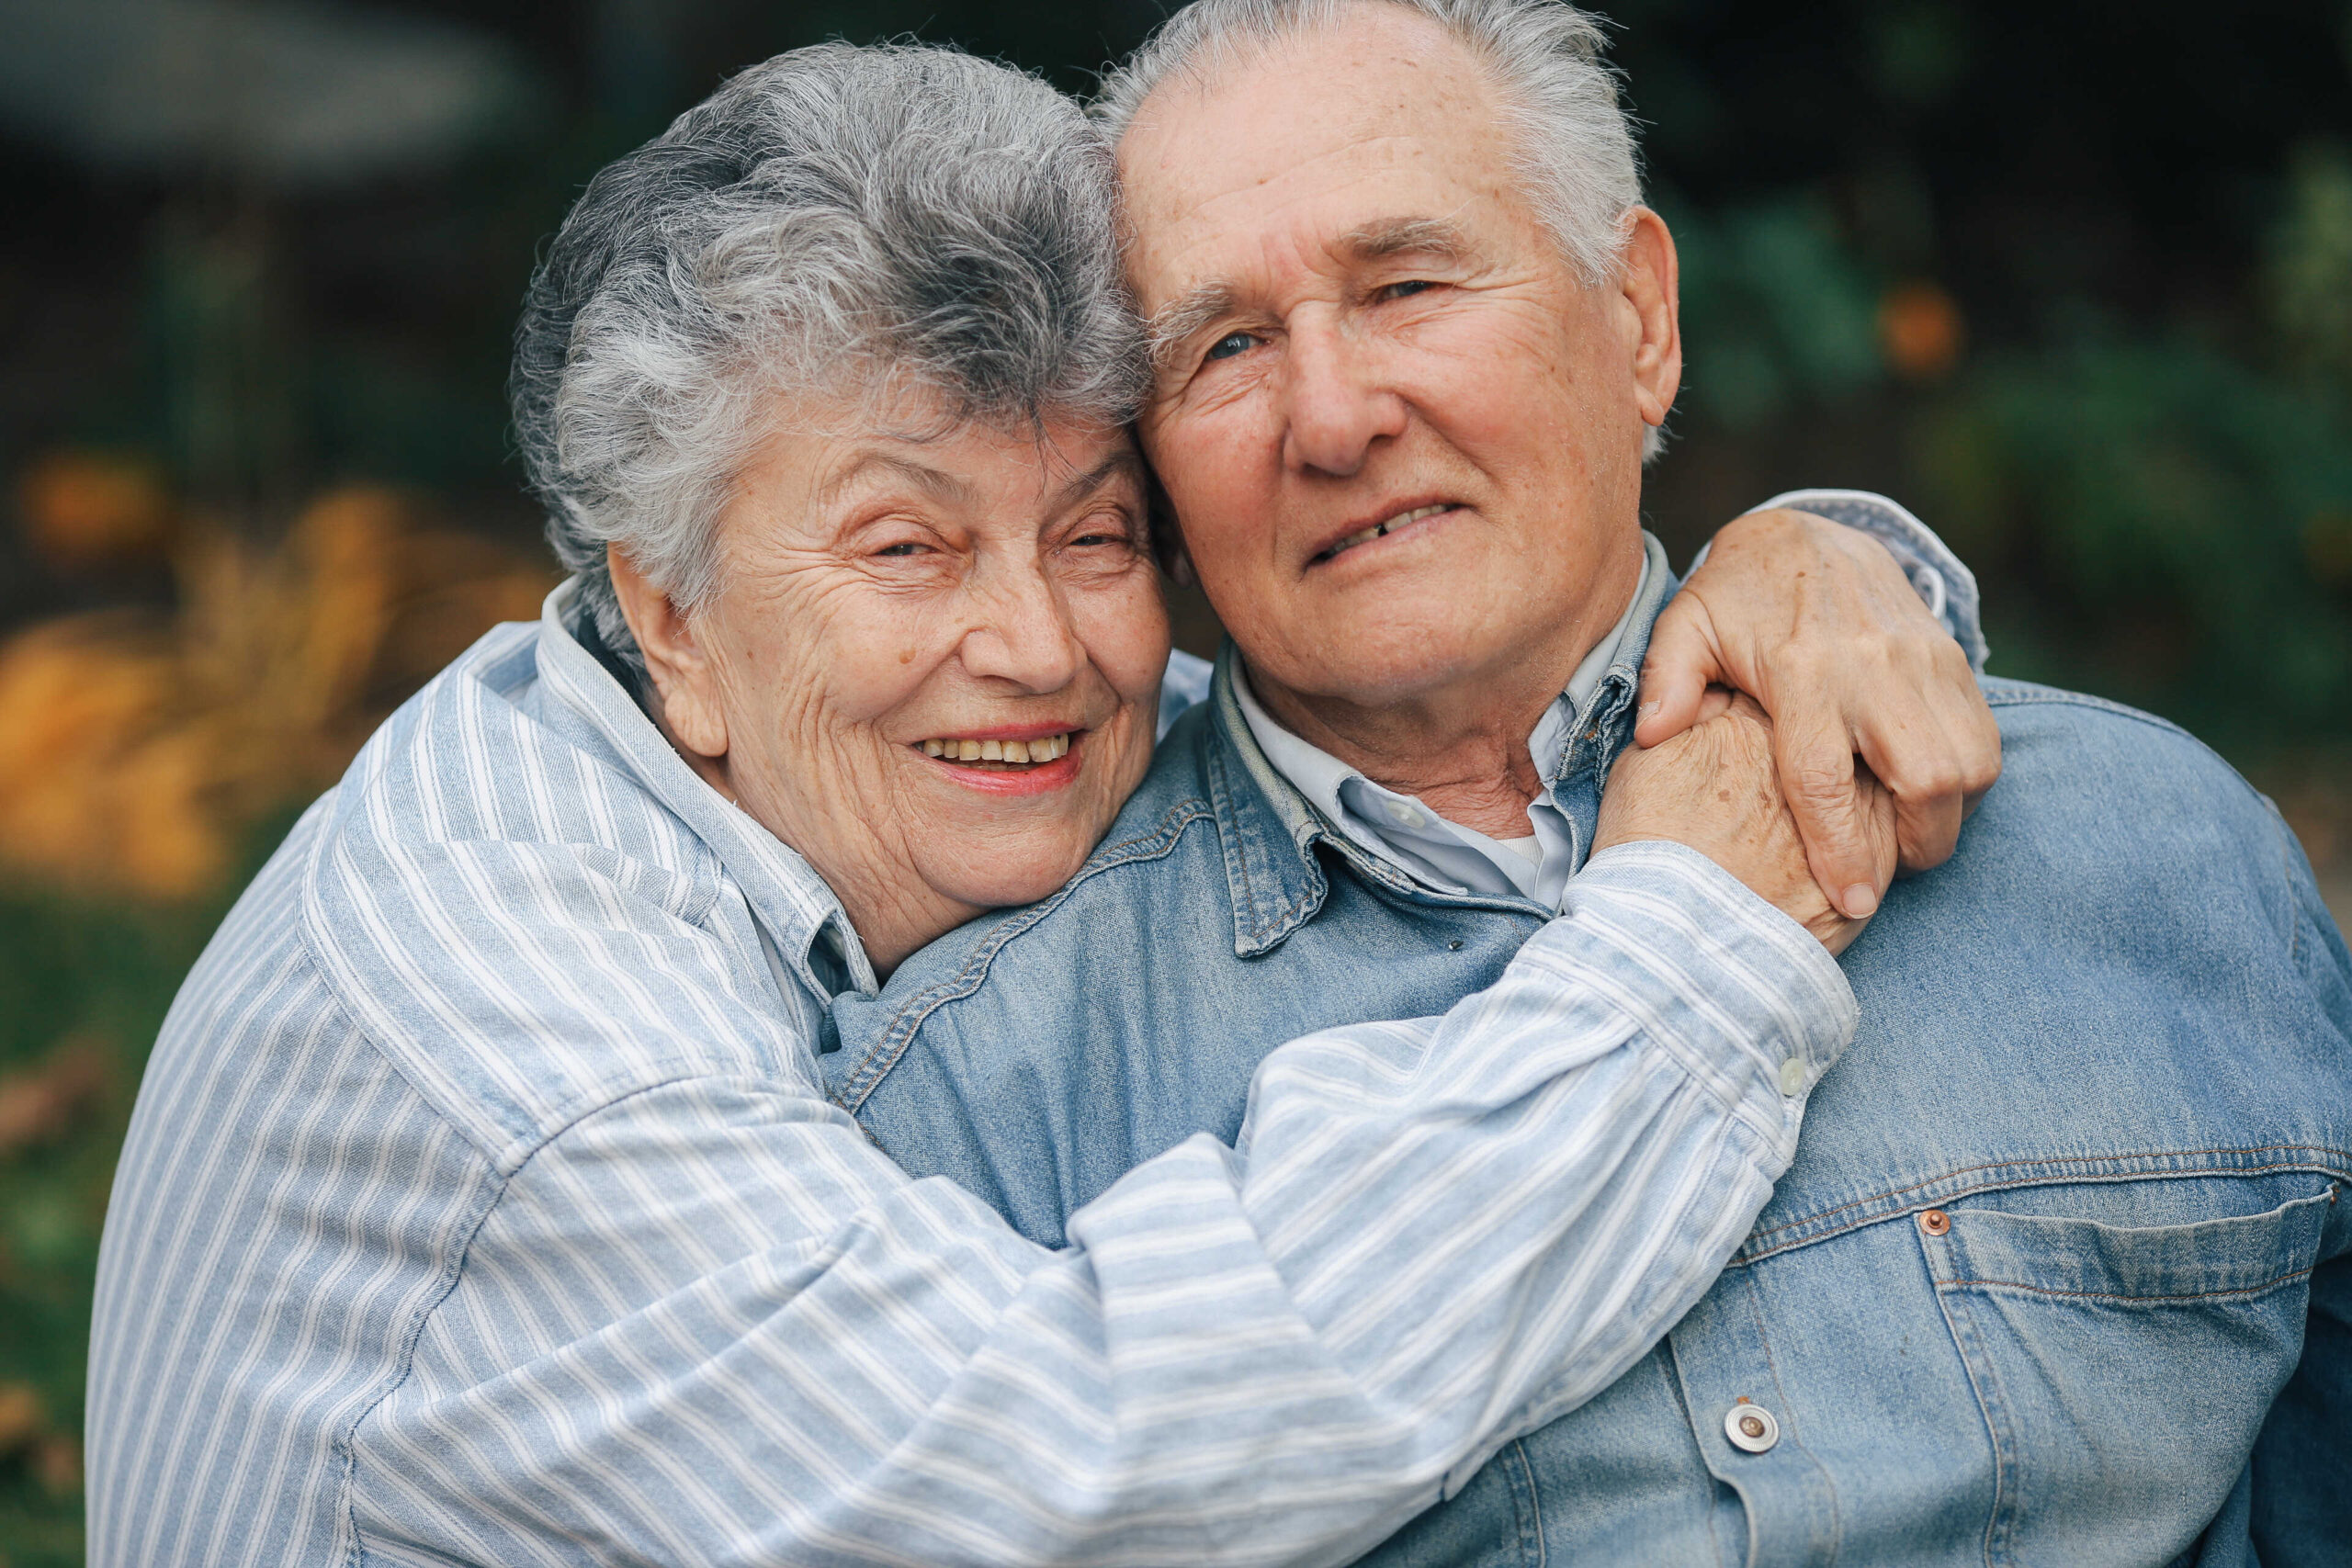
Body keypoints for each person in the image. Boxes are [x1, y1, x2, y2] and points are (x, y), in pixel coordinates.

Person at [84, 40, 1999, 1567]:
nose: (1033, 645)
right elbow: (1066, 1472)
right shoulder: (513, 1008)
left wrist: (1805, 571)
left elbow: (1413, 655)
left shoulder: (800, 732)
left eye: (1093, 530)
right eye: (907, 544)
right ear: (666, 604)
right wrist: (1693, 950)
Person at [836, 3, 2352, 1562]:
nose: (1336, 417)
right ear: (1148, 461)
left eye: (1407, 286)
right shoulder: (983, 1099)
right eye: (1224, 347)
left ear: (1639, 319)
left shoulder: (2156, 851)